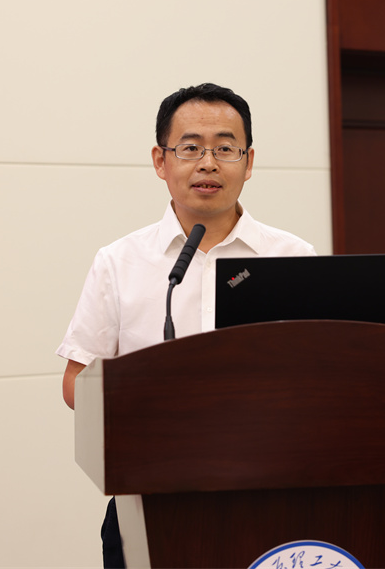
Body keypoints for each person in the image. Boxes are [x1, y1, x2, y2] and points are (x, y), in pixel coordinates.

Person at [56, 83, 315, 568]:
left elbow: (319, 377)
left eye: (225, 148)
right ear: (161, 161)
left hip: (270, 495)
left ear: (249, 162)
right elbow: (76, 383)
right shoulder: (119, 261)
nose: (208, 163)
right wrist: (148, 401)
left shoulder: (293, 257)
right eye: (191, 148)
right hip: (150, 499)